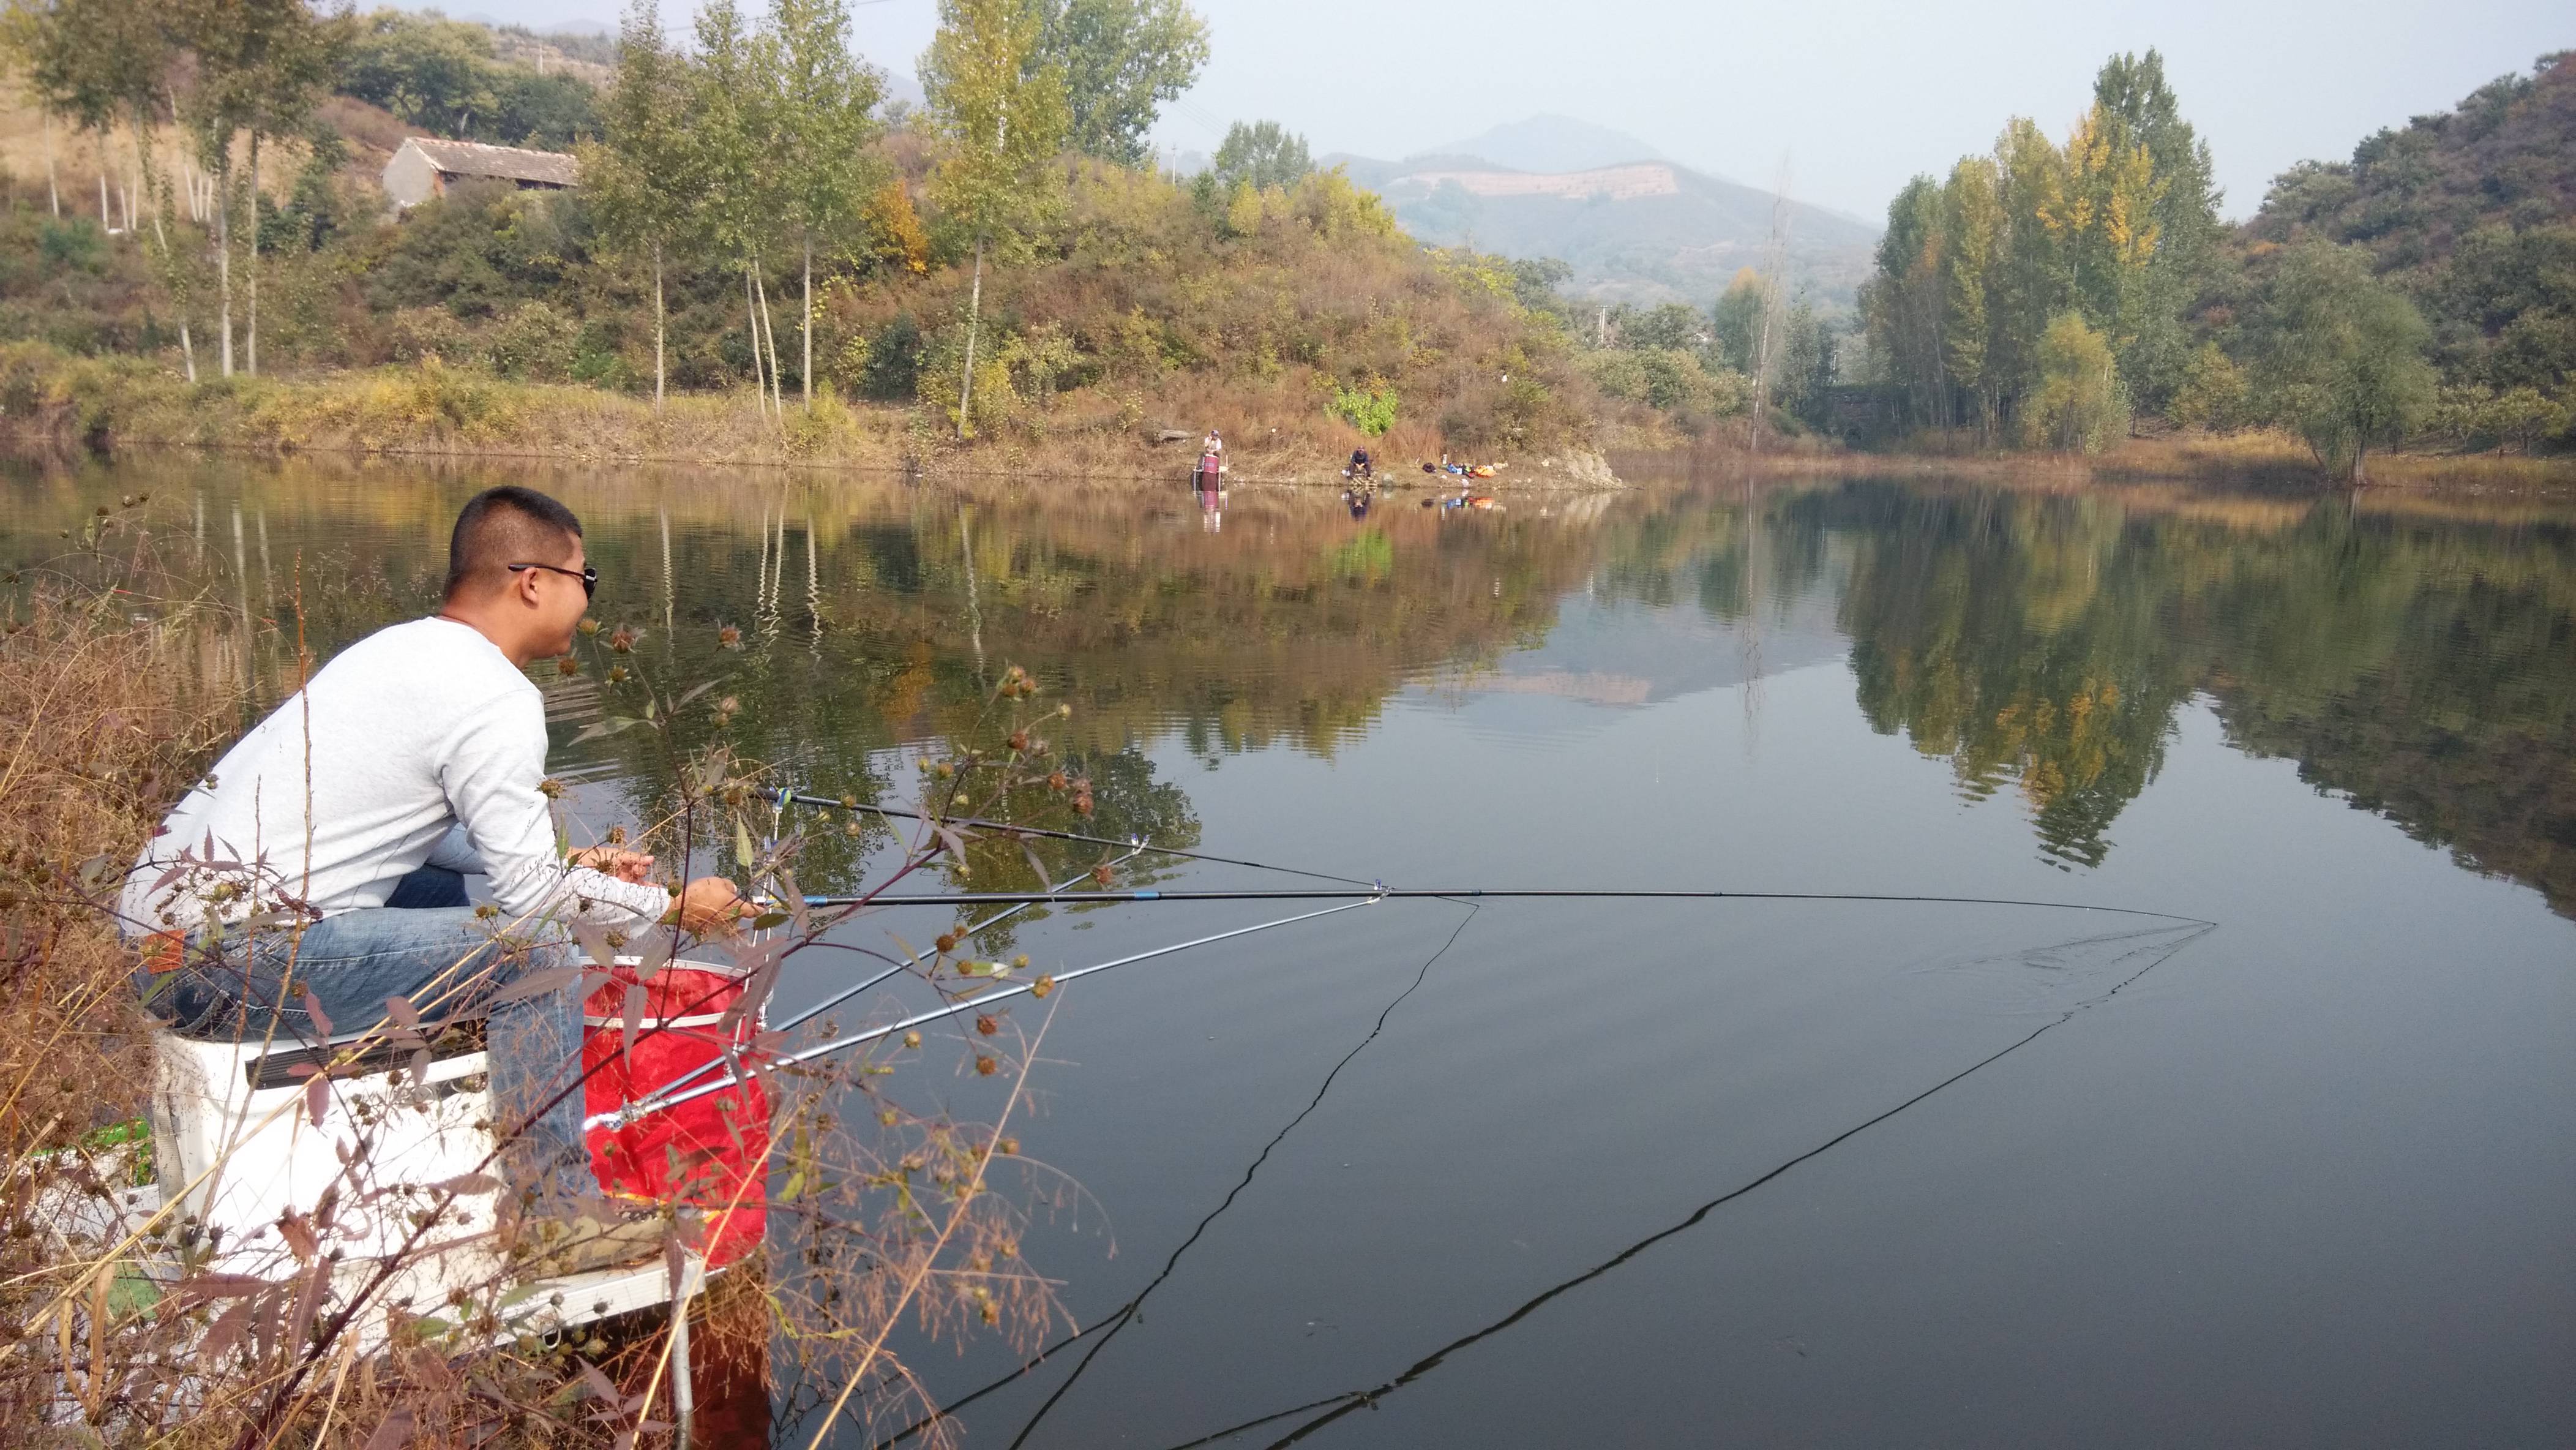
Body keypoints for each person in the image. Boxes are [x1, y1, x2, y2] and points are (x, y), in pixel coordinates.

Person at [122, 486, 744, 1268]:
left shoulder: (400, 650)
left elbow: (413, 835)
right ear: (532, 582)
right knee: (537, 946)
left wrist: (570, 864)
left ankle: (440, 1085)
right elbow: (530, 905)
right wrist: (672, 908)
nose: (588, 603)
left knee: (438, 894)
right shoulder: (496, 695)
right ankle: (552, 1216)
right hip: (224, 966)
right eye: (585, 581)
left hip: (161, 947)